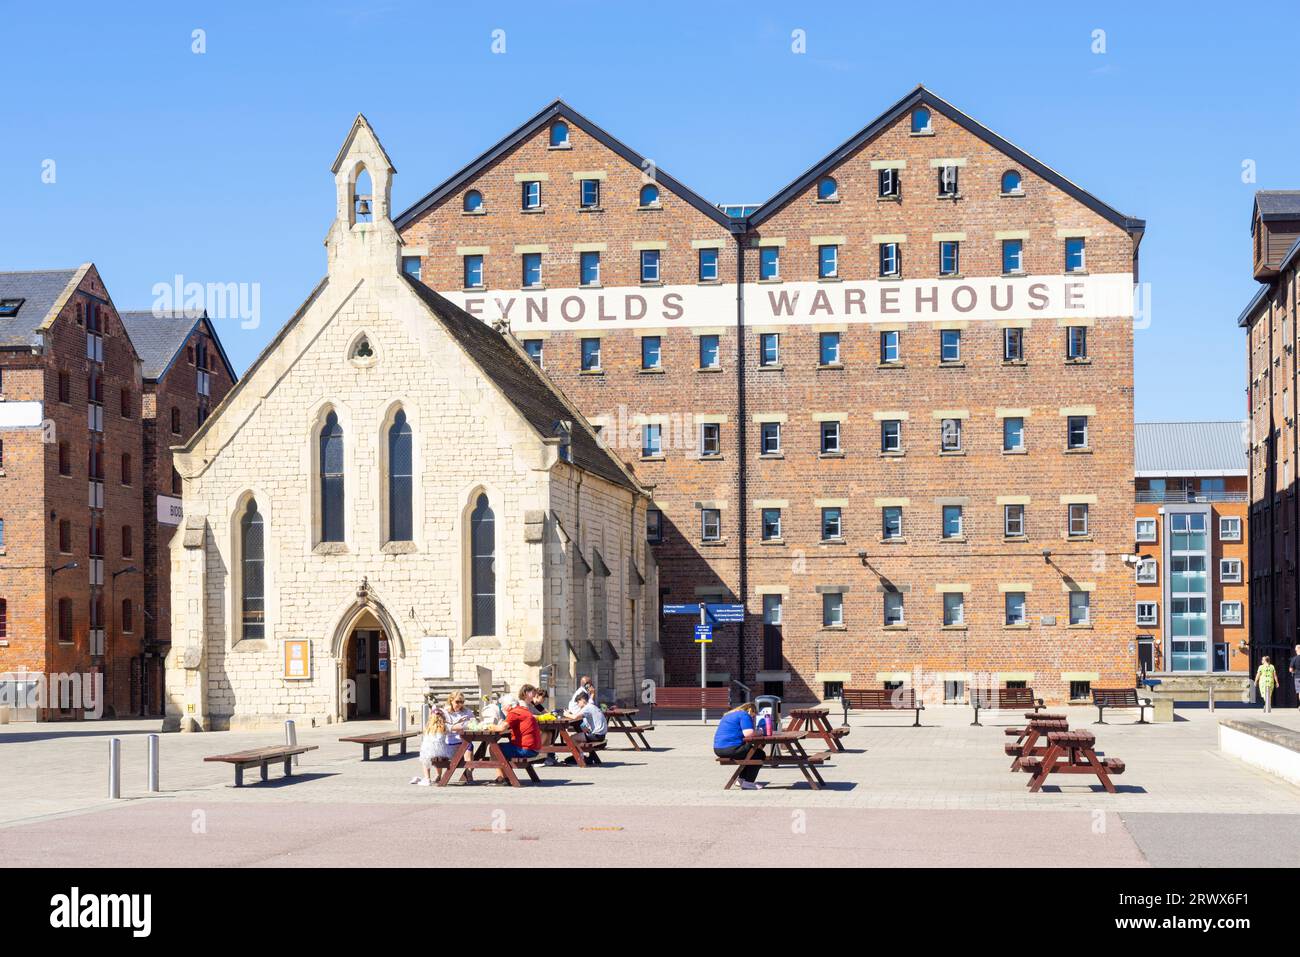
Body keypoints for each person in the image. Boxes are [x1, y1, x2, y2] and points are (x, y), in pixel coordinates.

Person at [713, 701, 765, 790]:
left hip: (718, 749)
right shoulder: (744, 715)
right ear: (750, 710)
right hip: (731, 748)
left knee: (751, 753)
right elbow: (748, 733)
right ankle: (748, 782)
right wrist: (761, 731)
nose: (753, 717)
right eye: (754, 715)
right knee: (759, 754)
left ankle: (741, 780)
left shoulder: (729, 715)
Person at [491, 694, 541, 783]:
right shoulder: (523, 710)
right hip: (535, 748)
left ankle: (501, 777)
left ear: (509, 706)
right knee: (502, 747)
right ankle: (505, 776)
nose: (501, 708)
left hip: (526, 749)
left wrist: (489, 726)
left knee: (494, 748)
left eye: (502, 705)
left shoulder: (514, 713)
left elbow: (501, 728)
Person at [564, 690, 607, 766]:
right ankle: (581, 755)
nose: (577, 704)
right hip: (601, 735)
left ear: (582, 700)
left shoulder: (587, 708)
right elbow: (585, 727)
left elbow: (575, 717)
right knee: (579, 736)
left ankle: (580, 757)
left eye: (578, 702)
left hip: (596, 735)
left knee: (572, 738)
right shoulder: (592, 706)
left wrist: (566, 714)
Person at [411, 708, 451, 787]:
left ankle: (427, 778)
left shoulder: (428, 727)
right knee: (439, 760)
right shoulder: (444, 727)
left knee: (424, 759)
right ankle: (439, 775)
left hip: (429, 751)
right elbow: (449, 732)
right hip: (441, 752)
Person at [444, 691, 474, 783]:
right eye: (457, 702)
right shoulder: (446, 713)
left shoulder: (466, 711)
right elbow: (446, 728)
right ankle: (469, 772)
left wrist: (472, 722)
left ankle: (469, 771)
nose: (460, 704)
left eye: (462, 702)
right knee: (468, 745)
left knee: (468, 744)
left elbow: (474, 722)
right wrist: (459, 723)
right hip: (451, 742)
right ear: (451, 700)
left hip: (463, 739)